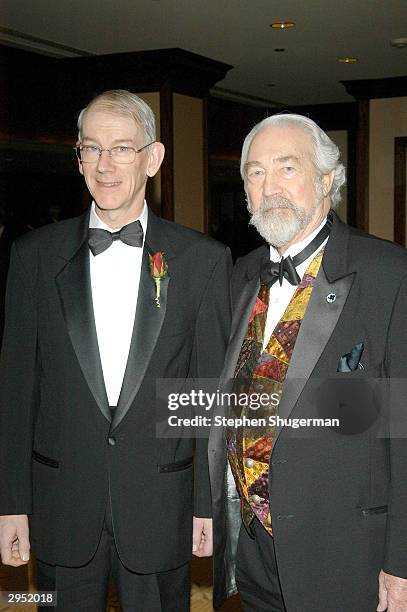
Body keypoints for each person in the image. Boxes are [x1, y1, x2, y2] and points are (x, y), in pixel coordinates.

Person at [0, 89, 232, 611]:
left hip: (161, 507)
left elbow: (207, 397)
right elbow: (17, 389)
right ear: (79, 157)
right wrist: (11, 504)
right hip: (61, 504)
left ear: (153, 158)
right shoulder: (33, 256)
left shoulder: (202, 261)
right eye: (91, 148)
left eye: (122, 148)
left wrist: (205, 503)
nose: (104, 165)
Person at [208, 113, 407, 612]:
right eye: (255, 172)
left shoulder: (389, 274)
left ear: (327, 181)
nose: (268, 185)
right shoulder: (242, 273)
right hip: (253, 550)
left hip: (345, 554)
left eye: (286, 168)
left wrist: (401, 563)